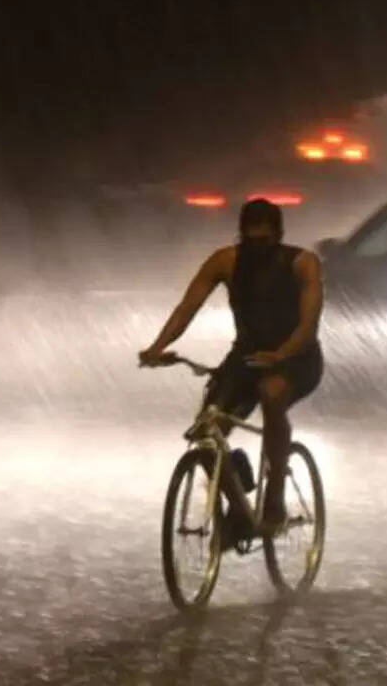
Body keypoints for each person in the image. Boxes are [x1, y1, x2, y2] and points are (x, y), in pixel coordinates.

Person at [139, 198, 324, 539]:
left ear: (279, 236)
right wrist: (157, 347)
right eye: (250, 241)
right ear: (240, 236)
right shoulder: (225, 261)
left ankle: (275, 497)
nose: (257, 249)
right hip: (247, 357)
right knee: (207, 431)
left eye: (264, 241)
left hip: (298, 357)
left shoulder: (303, 263)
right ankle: (238, 509)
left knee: (272, 394)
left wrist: (280, 355)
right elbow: (187, 307)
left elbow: (308, 326)